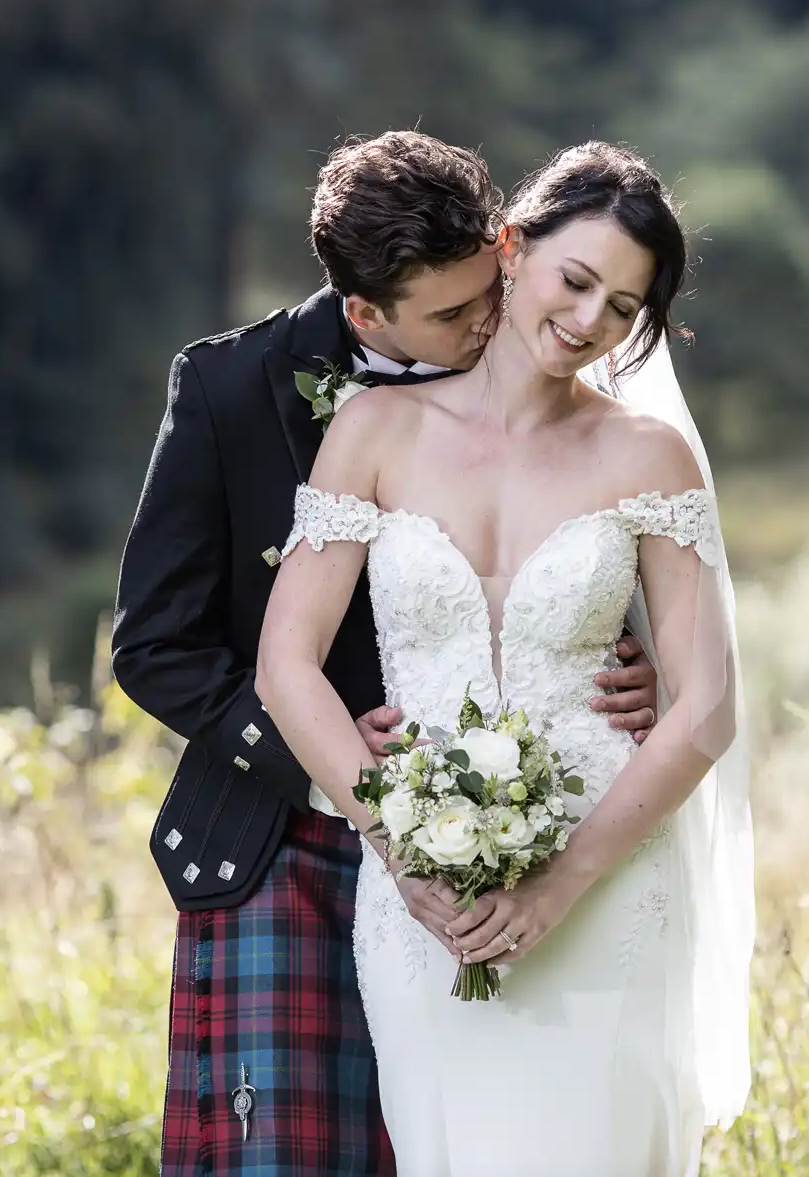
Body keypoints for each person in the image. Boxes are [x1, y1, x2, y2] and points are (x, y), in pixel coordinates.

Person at [111, 131, 661, 1177]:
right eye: (452, 316)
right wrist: (316, 758)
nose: (487, 323)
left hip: (504, 830)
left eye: (489, 289)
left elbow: (565, 552)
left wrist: (624, 656)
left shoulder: (555, 387)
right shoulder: (230, 388)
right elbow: (153, 645)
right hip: (287, 830)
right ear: (366, 315)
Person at [257, 142, 756, 1177]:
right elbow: (285, 664)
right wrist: (395, 848)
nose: (587, 322)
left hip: (604, 881)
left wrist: (561, 883)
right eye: (576, 281)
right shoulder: (373, 429)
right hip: (420, 899)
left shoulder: (645, 457)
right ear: (511, 248)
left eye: (623, 309)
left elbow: (704, 704)